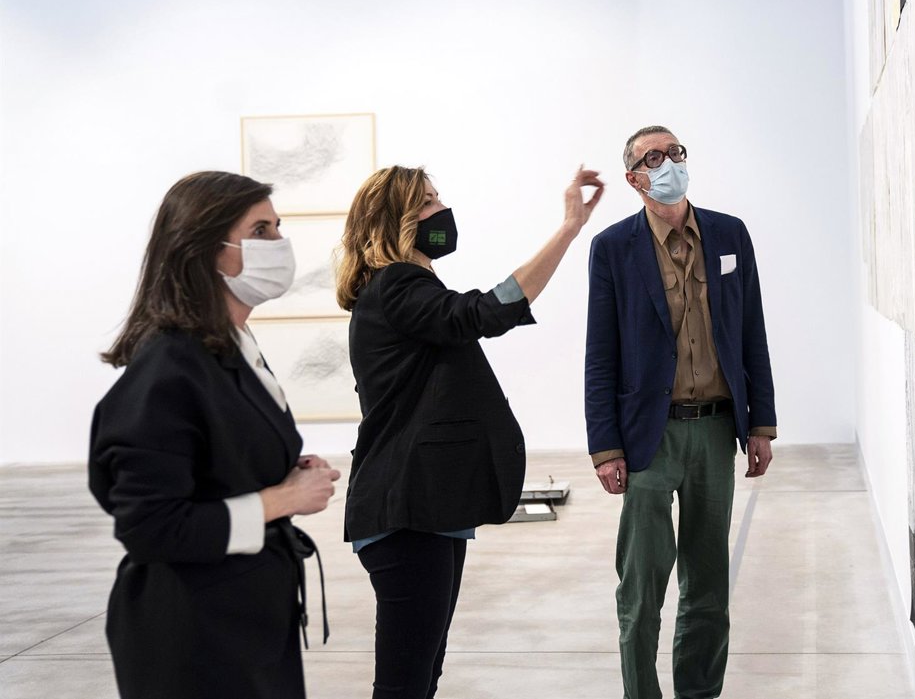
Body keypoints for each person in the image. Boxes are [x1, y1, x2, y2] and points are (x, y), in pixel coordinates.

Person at [335, 164, 604, 699]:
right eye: (426, 202)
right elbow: (484, 313)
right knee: (405, 685)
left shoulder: (400, 292)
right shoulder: (397, 285)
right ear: (394, 220)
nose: (442, 211)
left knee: (421, 677)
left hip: (425, 511)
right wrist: (569, 229)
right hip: (407, 512)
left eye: (439, 198)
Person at [89, 171, 341, 699]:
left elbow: (219, 458)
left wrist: (282, 472)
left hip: (245, 620)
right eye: (261, 231)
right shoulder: (168, 366)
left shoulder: (231, 347)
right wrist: (282, 498)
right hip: (192, 636)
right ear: (205, 250)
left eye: (277, 227)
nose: (280, 243)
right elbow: (150, 527)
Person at [584, 125, 777, 699]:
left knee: (709, 586)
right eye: (654, 157)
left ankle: (699, 692)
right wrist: (605, 447)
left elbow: (752, 331)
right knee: (641, 589)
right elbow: (600, 354)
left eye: (675, 152)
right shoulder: (613, 248)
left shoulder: (729, 233)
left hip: (716, 430)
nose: (668, 162)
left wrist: (761, 424)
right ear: (634, 179)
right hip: (649, 438)